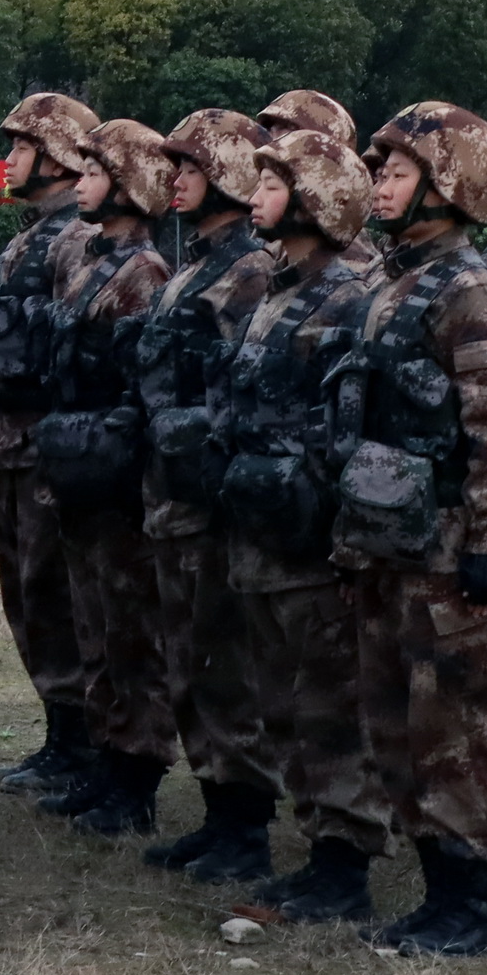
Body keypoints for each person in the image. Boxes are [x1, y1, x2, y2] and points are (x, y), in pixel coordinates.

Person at [337, 104, 487, 956]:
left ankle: (467, 902)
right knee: (397, 723)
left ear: (449, 183)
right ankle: (433, 888)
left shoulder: (469, 291)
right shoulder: (394, 280)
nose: (381, 183)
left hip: (450, 548)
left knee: (454, 731)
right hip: (388, 539)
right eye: (380, 169)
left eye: (399, 170)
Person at [217, 128, 389, 921]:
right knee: (280, 697)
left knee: (329, 703)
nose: (256, 196)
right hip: (263, 525)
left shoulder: (355, 296)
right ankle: (316, 839)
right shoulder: (277, 290)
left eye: (275, 185)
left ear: (317, 200)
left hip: (316, 539)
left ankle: (343, 860)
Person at [132, 109, 284, 882]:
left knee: (227, 664)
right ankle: (219, 808)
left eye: (190, 166)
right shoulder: (190, 265)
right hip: (173, 494)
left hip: (214, 503)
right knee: (189, 660)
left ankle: (245, 822)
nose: (175, 179)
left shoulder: (250, 269)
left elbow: (247, 386)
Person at [28, 119, 177, 836]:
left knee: (129, 633)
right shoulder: (93, 260)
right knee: (93, 628)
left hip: (115, 484)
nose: (79, 181)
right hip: (79, 470)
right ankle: (106, 760)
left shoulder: (143, 272)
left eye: (93, 172)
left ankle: (136, 775)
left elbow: (141, 387)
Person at [0, 91, 101, 798]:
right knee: (27, 595)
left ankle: (85, 746)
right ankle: (59, 737)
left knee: (58, 595)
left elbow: (76, 348)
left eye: (19, 147)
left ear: (58, 155)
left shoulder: (76, 240)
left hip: (47, 446)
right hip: (10, 441)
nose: (7, 159)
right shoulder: (26, 239)